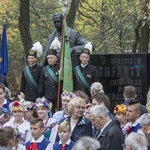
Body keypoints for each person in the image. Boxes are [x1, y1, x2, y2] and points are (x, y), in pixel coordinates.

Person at [39, 49, 60, 113]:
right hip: (48, 95)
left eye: (51, 58)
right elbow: (41, 83)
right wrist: (41, 95)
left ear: (56, 59)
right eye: (48, 58)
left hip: (58, 94)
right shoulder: (44, 69)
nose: (50, 59)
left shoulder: (60, 67)